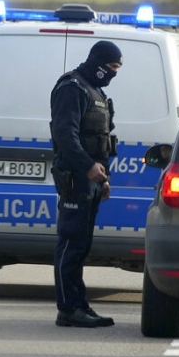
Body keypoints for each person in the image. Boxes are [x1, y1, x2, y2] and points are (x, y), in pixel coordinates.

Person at [49, 40, 123, 328]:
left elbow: (101, 141)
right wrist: (88, 167)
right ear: (99, 63)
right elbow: (65, 136)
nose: (115, 73)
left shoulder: (96, 92)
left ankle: (79, 304)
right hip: (75, 178)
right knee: (70, 242)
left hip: (91, 181)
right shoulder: (72, 88)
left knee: (81, 245)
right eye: (112, 67)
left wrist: (104, 179)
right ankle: (68, 309)